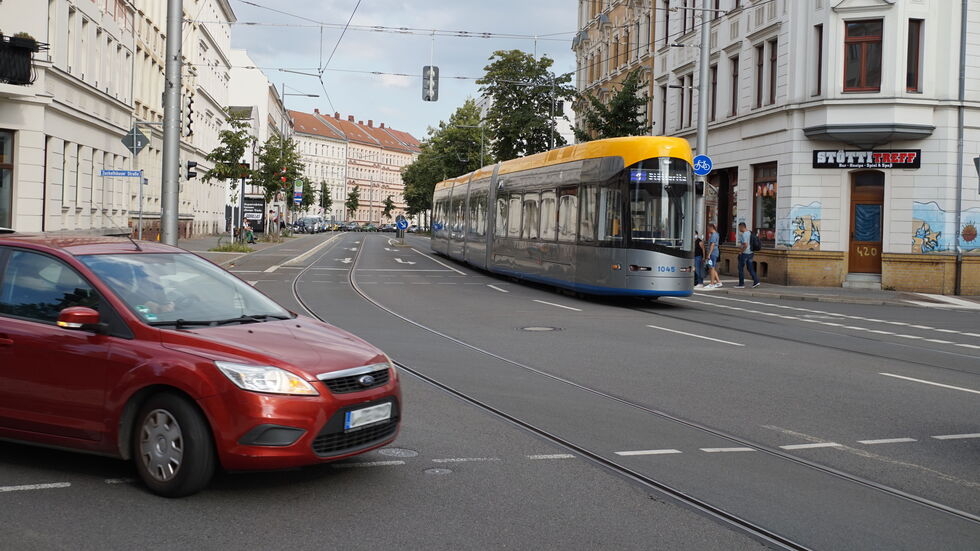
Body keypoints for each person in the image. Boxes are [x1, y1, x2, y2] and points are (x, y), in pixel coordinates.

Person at [735, 222, 760, 288]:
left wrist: (741, 251)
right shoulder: (750, 232)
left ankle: (741, 284)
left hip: (745, 254)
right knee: (750, 268)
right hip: (751, 253)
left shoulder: (744, 234)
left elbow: (745, 245)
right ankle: (756, 281)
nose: (739, 229)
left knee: (740, 268)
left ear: (741, 227)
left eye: (739, 228)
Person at [705, 223, 722, 288]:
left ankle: (711, 283)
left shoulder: (714, 235)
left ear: (711, 227)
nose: (708, 230)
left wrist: (709, 254)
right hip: (714, 253)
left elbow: (712, 245)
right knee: (712, 267)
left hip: (712, 253)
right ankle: (718, 282)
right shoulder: (715, 234)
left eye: (708, 228)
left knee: (711, 268)